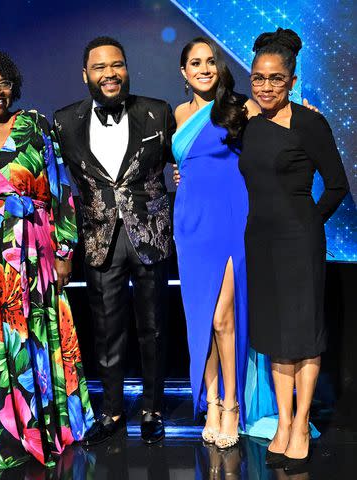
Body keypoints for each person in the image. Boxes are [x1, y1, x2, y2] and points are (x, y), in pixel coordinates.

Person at [0, 49, 93, 472]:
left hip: (31, 249)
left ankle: (37, 431)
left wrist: (65, 250)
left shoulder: (34, 125)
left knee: (31, 336)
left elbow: (61, 187)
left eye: (3, 82)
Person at [53, 36, 176, 445]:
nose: (110, 73)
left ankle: (154, 407)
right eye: (100, 67)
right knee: (106, 330)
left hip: (150, 233)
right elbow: (52, 180)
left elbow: (188, 156)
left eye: (117, 65)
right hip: (98, 237)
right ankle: (110, 409)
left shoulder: (157, 112)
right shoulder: (64, 121)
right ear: (85, 75)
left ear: (127, 68)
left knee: (154, 326)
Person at [239, 28, 349, 471]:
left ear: (292, 80)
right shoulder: (247, 123)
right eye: (258, 78)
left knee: (303, 335)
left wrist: (309, 223)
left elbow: (337, 185)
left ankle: (302, 423)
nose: (266, 86)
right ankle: (283, 423)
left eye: (276, 79)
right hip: (259, 241)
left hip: (299, 242)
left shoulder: (309, 123)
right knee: (275, 338)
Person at [172, 37, 278, 450]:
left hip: (232, 217)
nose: (204, 68)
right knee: (202, 319)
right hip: (190, 222)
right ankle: (212, 403)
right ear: (183, 72)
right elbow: (184, 164)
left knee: (223, 319)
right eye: (195, 62)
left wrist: (304, 114)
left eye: (210, 61)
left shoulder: (240, 107)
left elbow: (276, 123)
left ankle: (232, 404)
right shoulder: (177, 114)